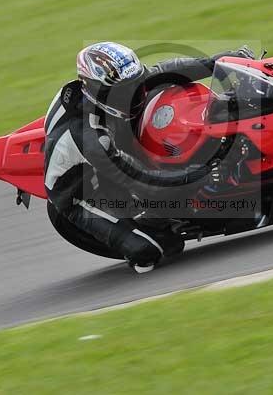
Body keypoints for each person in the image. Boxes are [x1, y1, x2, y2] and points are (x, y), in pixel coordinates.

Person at [43, 42, 255, 272]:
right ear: (100, 92)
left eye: (136, 82)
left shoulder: (108, 94)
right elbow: (143, 179)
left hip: (107, 143)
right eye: (128, 90)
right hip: (82, 194)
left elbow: (166, 71)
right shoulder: (91, 139)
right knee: (154, 250)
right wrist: (201, 174)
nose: (137, 92)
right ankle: (143, 227)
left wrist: (223, 62)